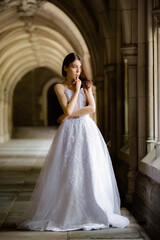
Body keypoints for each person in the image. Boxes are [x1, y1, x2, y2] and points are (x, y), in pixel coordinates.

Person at [16, 53, 130, 231]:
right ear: (65, 68)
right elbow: (68, 108)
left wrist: (66, 115)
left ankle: (91, 207)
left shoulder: (87, 85)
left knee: (89, 167)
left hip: (87, 130)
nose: (78, 70)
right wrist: (75, 94)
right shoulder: (59, 87)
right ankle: (67, 208)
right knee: (68, 168)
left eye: (80, 67)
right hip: (68, 132)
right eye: (75, 67)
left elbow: (91, 108)